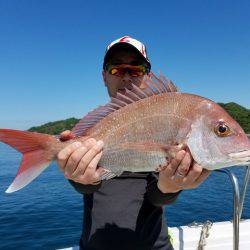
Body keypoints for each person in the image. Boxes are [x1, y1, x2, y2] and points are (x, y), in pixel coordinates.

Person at [57, 36, 210, 250]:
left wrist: (170, 187)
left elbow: (157, 197)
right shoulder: (95, 128)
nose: (127, 77)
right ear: (104, 76)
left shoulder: (165, 120)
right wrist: (79, 177)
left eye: (136, 70)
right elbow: (86, 186)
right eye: (117, 70)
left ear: (147, 77)